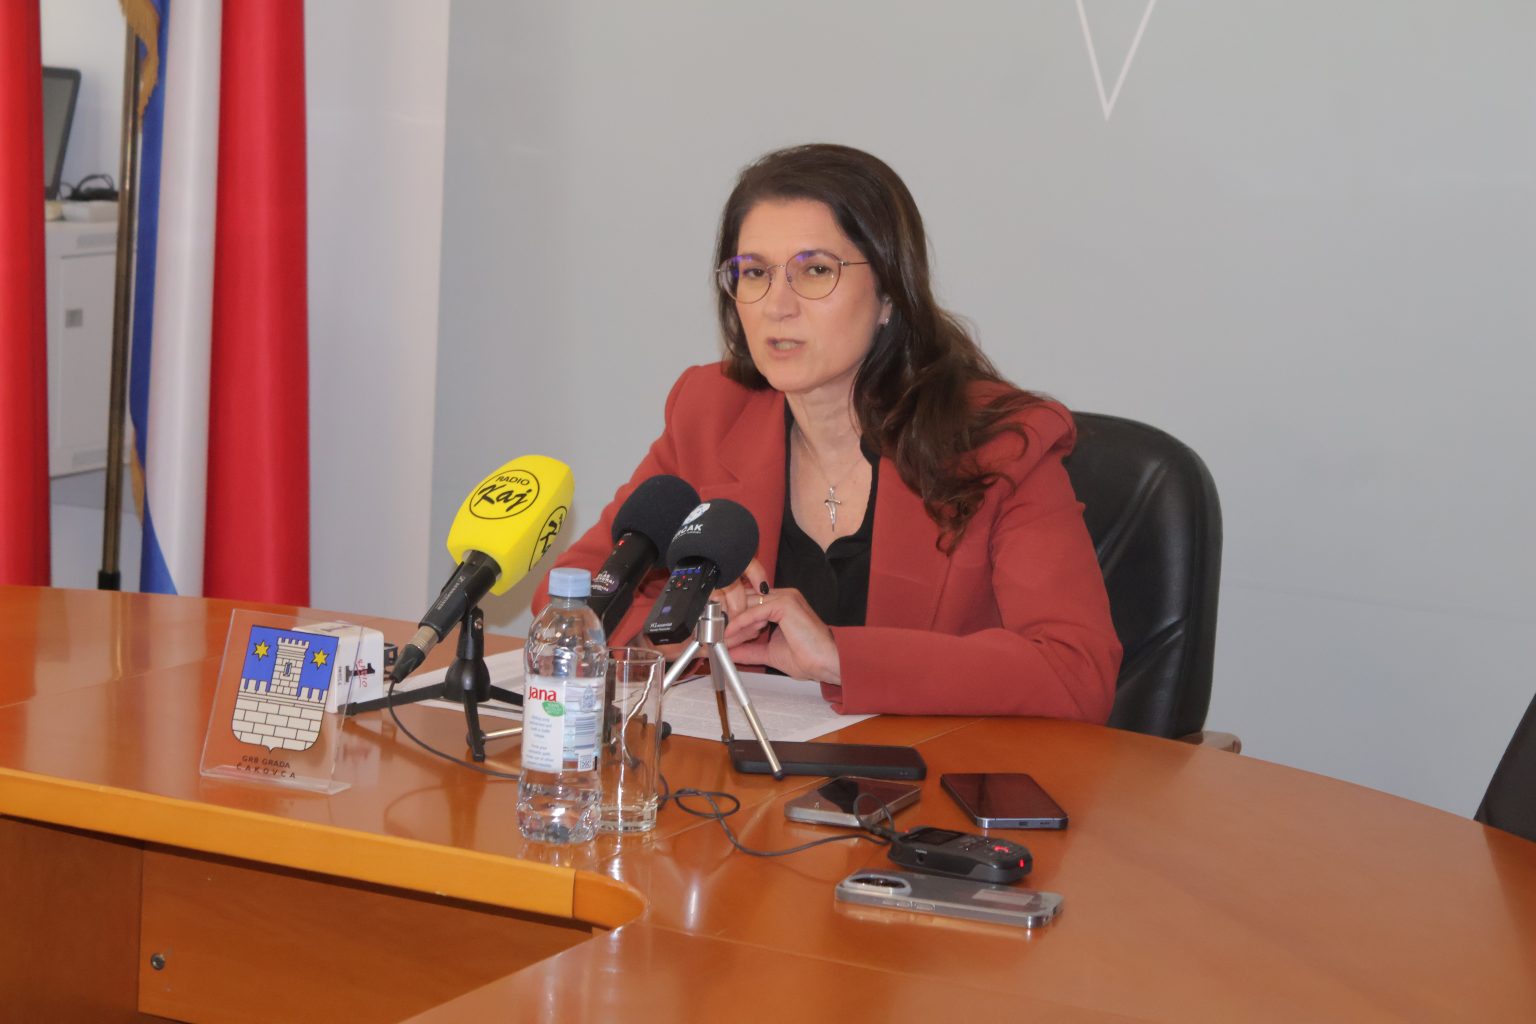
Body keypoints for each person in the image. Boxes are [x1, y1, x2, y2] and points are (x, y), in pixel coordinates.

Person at [541, 144, 1120, 720]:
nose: (777, 305)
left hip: (932, 773)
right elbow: (569, 604)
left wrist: (841, 658)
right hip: (744, 771)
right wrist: (678, 628)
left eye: (815, 270)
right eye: (755, 273)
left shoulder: (999, 443)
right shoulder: (710, 412)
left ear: (889, 293)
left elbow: (1076, 672)